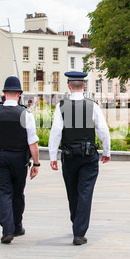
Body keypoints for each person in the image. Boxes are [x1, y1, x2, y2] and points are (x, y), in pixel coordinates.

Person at [48, 72, 111, 245]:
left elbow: (55, 132)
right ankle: (79, 231)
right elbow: (103, 130)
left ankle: (76, 224)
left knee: (72, 192)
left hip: (68, 157)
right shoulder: (93, 106)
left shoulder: (61, 106)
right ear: (84, 86)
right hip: (89, 156)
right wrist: (107, 151)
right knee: (85, 193)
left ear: (69, 86)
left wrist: (53, 156)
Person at [0, 76, 40, 244]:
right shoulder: (25, 114)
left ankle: (7, 230)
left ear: (4, 93)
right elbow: (32, 143)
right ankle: (17, 225)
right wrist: (36, 163)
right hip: (20, 159)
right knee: (18, 192)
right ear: (19, 94)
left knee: (4, 192)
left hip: (0, 157)